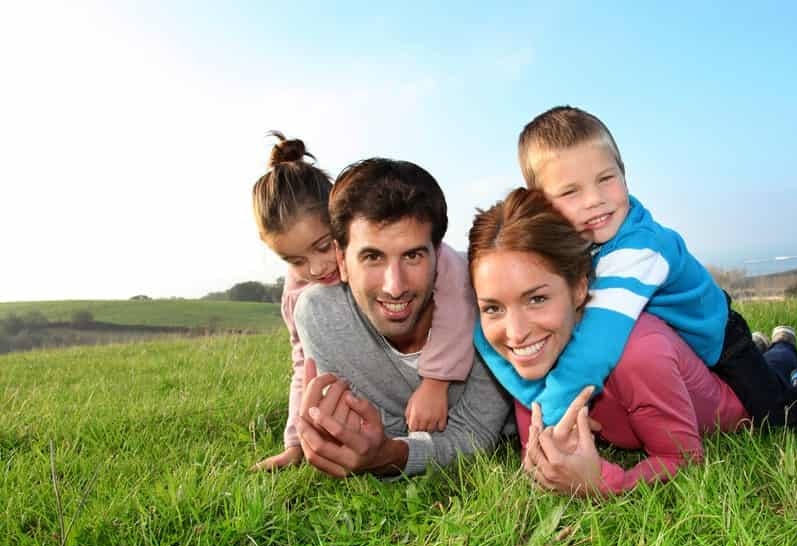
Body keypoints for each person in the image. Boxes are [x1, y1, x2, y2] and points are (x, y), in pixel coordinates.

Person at [474, 106, 797, 430]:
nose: (595, 200)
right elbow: (487, 329)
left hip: (714, 335)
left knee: (778, 416)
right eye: (571, 191)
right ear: (541, 201)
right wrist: (532, 396)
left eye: (606, 179)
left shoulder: (640, 249)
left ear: (624, 173)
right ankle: (780, 348)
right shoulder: (563, 244)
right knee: (755, 376)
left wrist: (553, 416)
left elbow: (596, 345)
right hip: (673, 345)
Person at [469, 188, 753, 495]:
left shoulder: (640, 354)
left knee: (786, 371)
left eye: (536, 299)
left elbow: (682, 457)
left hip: (734, 407)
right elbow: (536, 460)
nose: (515, 333)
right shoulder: (527, 355)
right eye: (493, 308)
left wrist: (604, 483)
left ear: (579, 289)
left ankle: (784, 354)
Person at [249, 133, 478, 471]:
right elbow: (304, 368)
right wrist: (297, 440)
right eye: (295, 261)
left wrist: (436, 382)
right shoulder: (305, 299)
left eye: (323, 246)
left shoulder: (452, 268)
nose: (316, 268)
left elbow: (459, 309)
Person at [292, 158, 514, 478]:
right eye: (372, 257)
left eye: (412, 256)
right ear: (341, 260)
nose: (394, 286)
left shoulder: (486, 299)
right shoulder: (320, 316)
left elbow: (476, 434)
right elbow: (372, 430)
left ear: (438, 253)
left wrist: (390, 455)